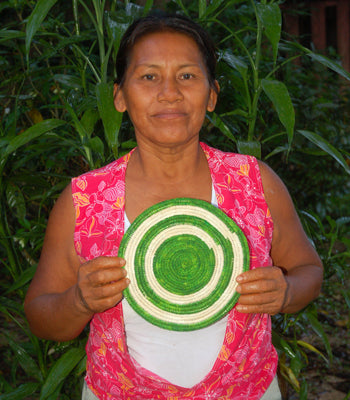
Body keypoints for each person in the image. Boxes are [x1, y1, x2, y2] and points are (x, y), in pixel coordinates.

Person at [24, 14, 323, 400]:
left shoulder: (254, 184)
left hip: (247, 390)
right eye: (149, 76)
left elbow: (309, 271)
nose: (169, 92)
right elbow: (39, 315)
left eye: (187, 76)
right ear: (119, 96)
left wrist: (286, 292)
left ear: (212, 95)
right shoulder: (85, 202)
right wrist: (77, 301)